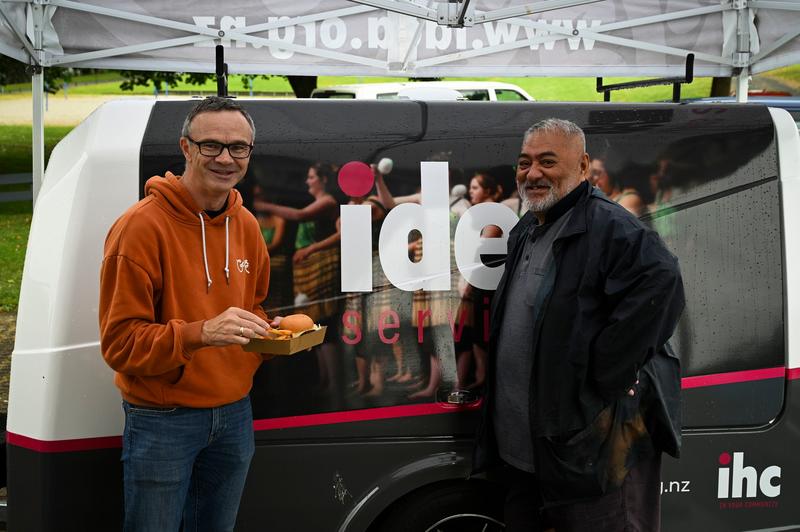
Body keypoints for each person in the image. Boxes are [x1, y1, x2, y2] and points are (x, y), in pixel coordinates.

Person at [473, 118, 685, 532]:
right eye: (524, 162)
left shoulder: (612, 227)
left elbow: (663, 284)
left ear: (583, 166)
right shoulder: (528, 229)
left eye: (547, 161)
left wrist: (602, 376)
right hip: (530, 455)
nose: (532, 173)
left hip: (594, 456)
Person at [99, 97, 276, 532]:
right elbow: (120, 344)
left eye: (238, 148)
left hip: (234, 413)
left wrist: (265, 335)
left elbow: (253, 304)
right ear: (185, 148)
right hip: (163, 420)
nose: (225, 158)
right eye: (211, 145)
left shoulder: (247, 224)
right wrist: (201, 333)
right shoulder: (141, 227)